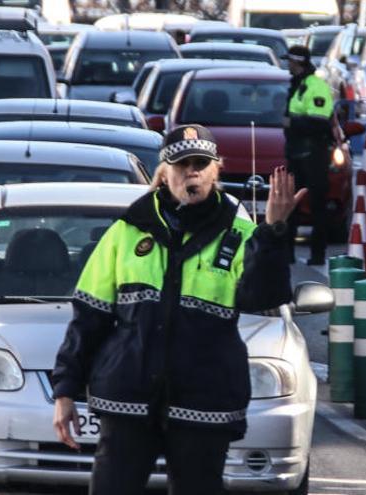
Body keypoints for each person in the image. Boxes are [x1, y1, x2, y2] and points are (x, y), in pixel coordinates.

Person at [52, 124, 306, 495]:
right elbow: (88, 317)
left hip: (204, 400)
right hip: (129, 398)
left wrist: (274, 229)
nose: (192, 171)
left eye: (201, 163)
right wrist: (65, 392)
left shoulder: (238, 234)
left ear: (216, 169)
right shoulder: (126, 231)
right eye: (182, 163)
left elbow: (263, 297)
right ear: (164, 171)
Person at [281, 45, 334, 266]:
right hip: (297, 152)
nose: (288, 66)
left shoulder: (315, 86)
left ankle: (318, 253)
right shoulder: (298, 85)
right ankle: (288, 252)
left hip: (314, 154)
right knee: (291, 204)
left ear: (298, 62)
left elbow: (320, 121)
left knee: (317, 205)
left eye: (290, 62)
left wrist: (293, 123)